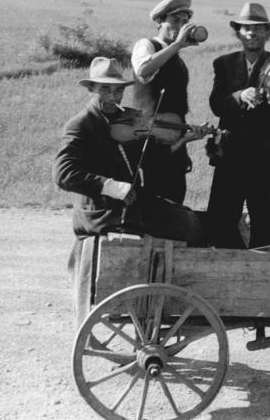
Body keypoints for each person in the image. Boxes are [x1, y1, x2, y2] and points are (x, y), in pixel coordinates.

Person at [54, 57, 206, 324]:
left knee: (190, 217)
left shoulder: (128, 121)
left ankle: (159, 295)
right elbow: (64, 174)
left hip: (129, 203)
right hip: (104, 211)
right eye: (105, 90)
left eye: (118, 90)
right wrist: (113, 187)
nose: (114, 97)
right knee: (185, 222)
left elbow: (152, 162)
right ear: (92, 89)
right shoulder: (81, 125)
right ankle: (166, 298)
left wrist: (182, 140)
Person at [206, 2, 270, 248]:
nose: (252, 33)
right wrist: (239, 96)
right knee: (222, 217)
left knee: (264, 218)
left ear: (268, 33)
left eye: (259, 29)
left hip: (266, 155)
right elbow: (216, 103)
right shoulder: (223, 63)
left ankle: (260, 270)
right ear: (238, 33)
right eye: (247, 28)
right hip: (231, 152)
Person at [130, 0, 209, 204]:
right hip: (148, 142)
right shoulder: (146, 45)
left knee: (174, 199)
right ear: (160, 22)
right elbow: (143, 70)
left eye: (185, 22)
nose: (181, 27)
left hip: (173, 142)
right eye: (175, 21)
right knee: (152, 201)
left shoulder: (177, 59)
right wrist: (175, 46)